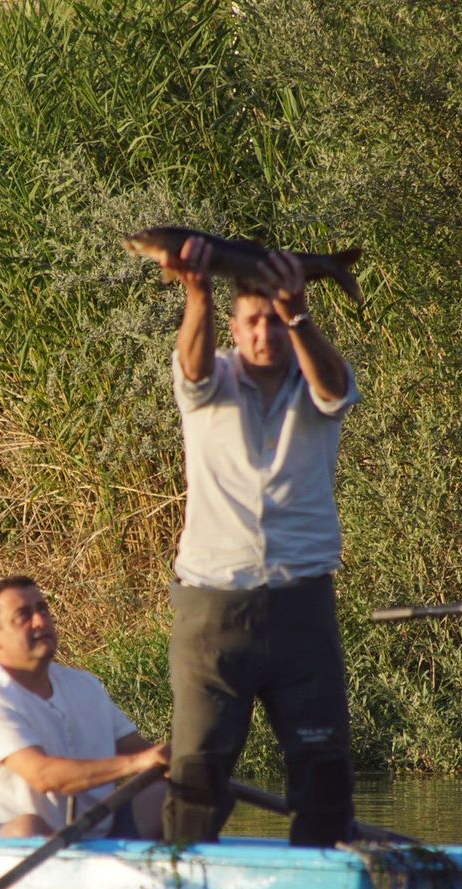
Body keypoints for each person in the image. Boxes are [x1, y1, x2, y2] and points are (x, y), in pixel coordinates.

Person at [158, 235, 361, 847]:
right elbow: (190, 366)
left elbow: (332, 385)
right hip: (214, 611)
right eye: (253, 321)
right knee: (196, 776)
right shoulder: (209, 380)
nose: (264, 334)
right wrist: (197, 294)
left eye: (274, 320)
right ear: (235, 327)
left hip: (303, 606)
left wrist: (299, 313)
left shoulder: (319, 378)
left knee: (324, 776)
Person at [0, 575, 170, 838]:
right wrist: (136, 763)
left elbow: (145, 752)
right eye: (23, 615)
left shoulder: (85, 686)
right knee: (27, 827)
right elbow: (43, 776)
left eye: (42, 609)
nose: (40, 621)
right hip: (4, 850)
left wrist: (181, 762)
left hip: (93, 838)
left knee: (169, 793)